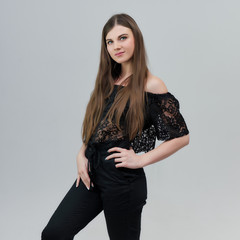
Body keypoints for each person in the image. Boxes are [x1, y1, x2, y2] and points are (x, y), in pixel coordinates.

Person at [41, 13, 190, 240]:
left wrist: (140, 159)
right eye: (110, 42)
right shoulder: (108, 80)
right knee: (54, 234)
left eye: (122, 38)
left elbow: (181, 137)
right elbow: (98, 127)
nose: (116, 46)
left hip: (123, 183)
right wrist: (81, 154)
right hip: (92, 173)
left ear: (136, 39)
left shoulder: (151, 85)